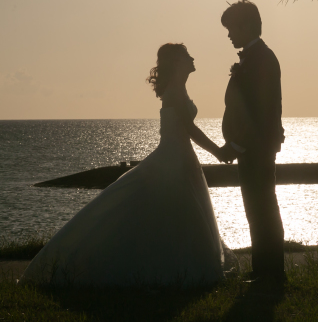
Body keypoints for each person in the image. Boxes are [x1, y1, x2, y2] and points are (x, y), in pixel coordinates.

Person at [20, 44, 231, 287]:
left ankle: (184, 267)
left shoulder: (179, 88)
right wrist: (218, 152)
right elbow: (190, 129)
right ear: (176, 61)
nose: (193, 58)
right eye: (187, 55)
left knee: (181, 213)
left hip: (182, 157)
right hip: (174, 158)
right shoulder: (174, 91)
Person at [217, 0, 285, 285]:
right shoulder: (255, 57)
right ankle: (265, 271)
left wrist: (237, 145)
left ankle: (269, 273)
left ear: (246, 25)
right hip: (252, 149)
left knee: (262, 210)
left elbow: (260, 110)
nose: (229, 34)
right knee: (257, 210)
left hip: (255, 150)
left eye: (232, 27)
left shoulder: (261, 59)